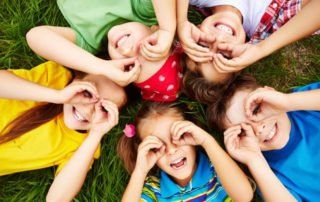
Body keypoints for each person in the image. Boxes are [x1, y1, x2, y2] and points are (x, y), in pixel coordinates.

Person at [0, 61, 126, 201]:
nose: (88, 109)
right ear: (76, 81)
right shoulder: (55, 78)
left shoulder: (83, 145)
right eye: (87, 93)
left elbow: (56, 199)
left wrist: (96, 134)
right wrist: (57, 96)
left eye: (103, 109)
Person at [179, 0, 320, 103]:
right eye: (224, 55)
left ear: (194, 31)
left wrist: (181, 21)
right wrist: (261, 49)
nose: (218, 41)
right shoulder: (273, 23)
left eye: (202, 46)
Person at [206, 73, 320, 201]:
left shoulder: (305, 104)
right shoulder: (268, 174)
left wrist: (287, 101)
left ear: (270, 94)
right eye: (243, 131)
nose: (259, 129)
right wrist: (255, 160)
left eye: (256, 110)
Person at [117, 102, 253, 201]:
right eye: (157, 147)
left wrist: (207, 141)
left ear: (192, 133)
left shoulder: (218, 170)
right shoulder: (154, 190)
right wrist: (140, 171)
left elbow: (244, 196)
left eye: (179, 136)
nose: (171, 150)